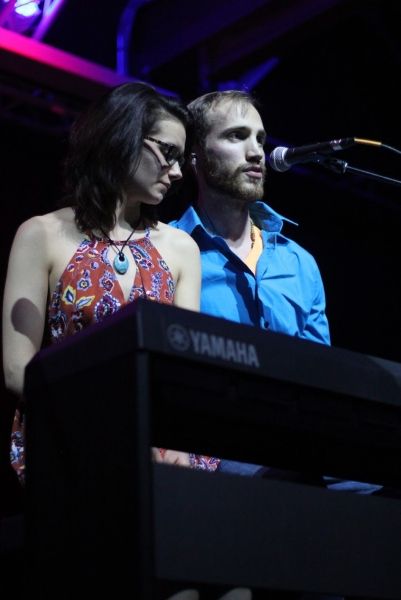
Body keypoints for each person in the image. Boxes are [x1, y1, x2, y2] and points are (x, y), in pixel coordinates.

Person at [2, 82, 220, 486]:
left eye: (181, 159)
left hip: (161, 444)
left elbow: (182, 365)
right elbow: (18, 370)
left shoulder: (180, 247)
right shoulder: (40, 234)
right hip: (72, 438)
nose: (176, 173)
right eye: (168, 153)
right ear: (122, 136)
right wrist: (110, 422)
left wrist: (167, 436)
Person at [171, 90, 381, 495]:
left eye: (260, 139)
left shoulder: (299, 261)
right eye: (236, 136)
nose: (256, 153)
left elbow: (321, 376)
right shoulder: (169, 251)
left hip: (300, 443)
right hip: (216, 447)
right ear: (194, 156)